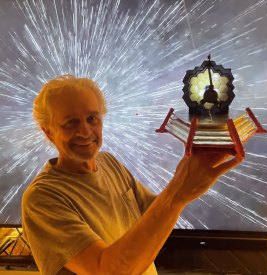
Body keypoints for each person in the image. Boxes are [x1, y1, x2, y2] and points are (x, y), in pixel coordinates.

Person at [22, 75, 243, 275]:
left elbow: (152, 214)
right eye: (71, 122)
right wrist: (178, 191)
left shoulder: (108, 162)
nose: (85, 131)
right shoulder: (42, 199)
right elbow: (107, 272)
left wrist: (192, 165)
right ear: (48, 132)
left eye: (92, 118)